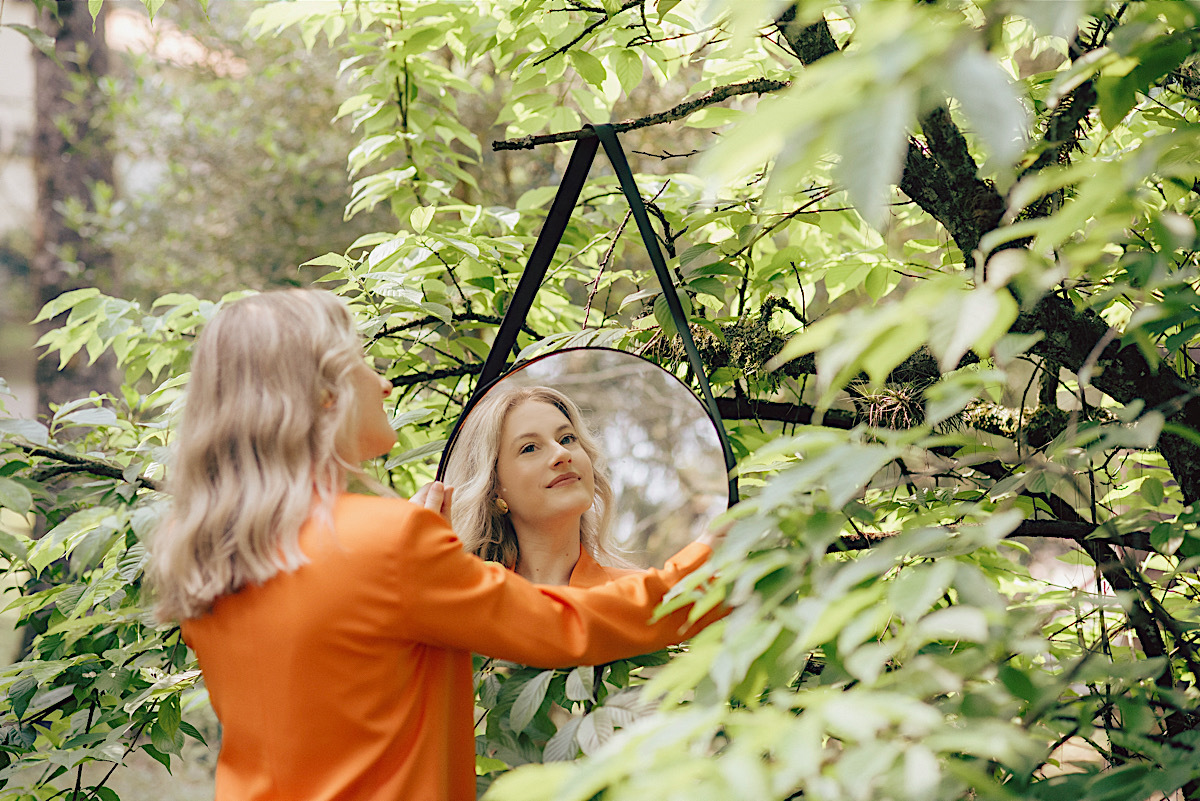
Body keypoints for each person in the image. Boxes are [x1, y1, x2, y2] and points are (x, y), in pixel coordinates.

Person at [149, 289, 724, 801]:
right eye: (361, 364)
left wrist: (414, 552)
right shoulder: (388, 542)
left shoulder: (209, 550)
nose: (384, 382)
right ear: (325, 396)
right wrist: (712, 564)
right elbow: (562, 627)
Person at [444, 384, 644, 588]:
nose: (562, 454)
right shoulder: (463, 598)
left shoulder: (642, 595)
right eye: (529, 448)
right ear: (492, 486)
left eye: (567, 439)